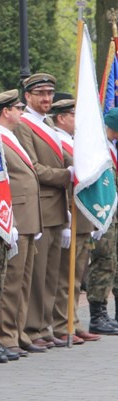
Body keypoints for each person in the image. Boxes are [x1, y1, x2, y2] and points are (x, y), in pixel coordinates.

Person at [14, 73, 72, 351]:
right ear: (27, 97)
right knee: (36, 277)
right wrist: (66, 175)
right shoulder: (24, 125)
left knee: (52, 274)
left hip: (57, 207)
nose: (46, 99)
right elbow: (32, 167)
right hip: (40, 207)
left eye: (49, 93)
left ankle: (45, 324)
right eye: (40, 94)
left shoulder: (48, 123)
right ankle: (32, 327)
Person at [0, 89, 43, 356]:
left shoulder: (12, 137)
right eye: (19, 108)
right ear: (6, 112)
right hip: (15, 217)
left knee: (24, 280)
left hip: (28, 218)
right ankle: (4, 334)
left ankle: (19, 331)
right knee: (11, 281)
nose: (22, 113)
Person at [48, 98, 99, 343]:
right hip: (69, 214)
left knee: (77, 275)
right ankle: (61, 324)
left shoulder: (74, 142)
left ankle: (73, 321)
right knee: (65, 276)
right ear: (61, 118)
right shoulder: (57, 142)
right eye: (73, 115)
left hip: (83, 215)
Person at [85, 107, 118, 336]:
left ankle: (108, 313)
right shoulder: (99, 149)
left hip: (113, 213)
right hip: (103, 214)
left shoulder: (112, 147)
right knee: (104, 261)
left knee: (113, 263)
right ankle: (97, 314)